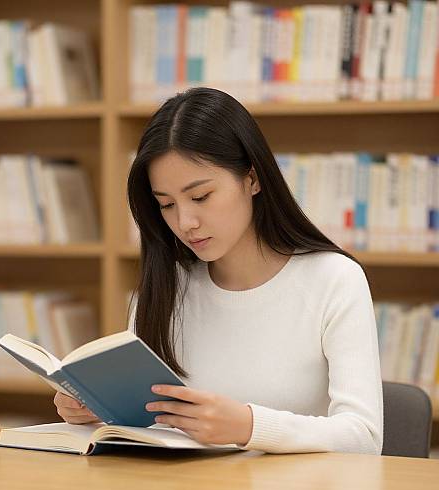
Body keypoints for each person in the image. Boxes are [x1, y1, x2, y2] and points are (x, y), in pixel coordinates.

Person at [54, 87, 383, 455]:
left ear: (253, 179)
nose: (185, 222)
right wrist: (96, 411)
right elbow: (149, 425)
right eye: (166, 204)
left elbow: (364, 438)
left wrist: (249, 426)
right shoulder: (166, 288)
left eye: (200, 197)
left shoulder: (334, 280)